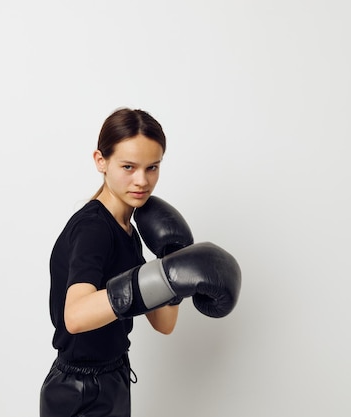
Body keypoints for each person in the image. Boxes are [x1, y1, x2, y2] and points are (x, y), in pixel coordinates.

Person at [39, 108, 241, 417]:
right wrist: (154, 279)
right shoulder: (94, 229)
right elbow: (76, 316)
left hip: (115, 375)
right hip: (80, 390)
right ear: (100, 161)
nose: (142, 181)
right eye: (129, 167)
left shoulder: (129, 232)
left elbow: (164, 324)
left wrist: (170, 264)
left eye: (152, 168)